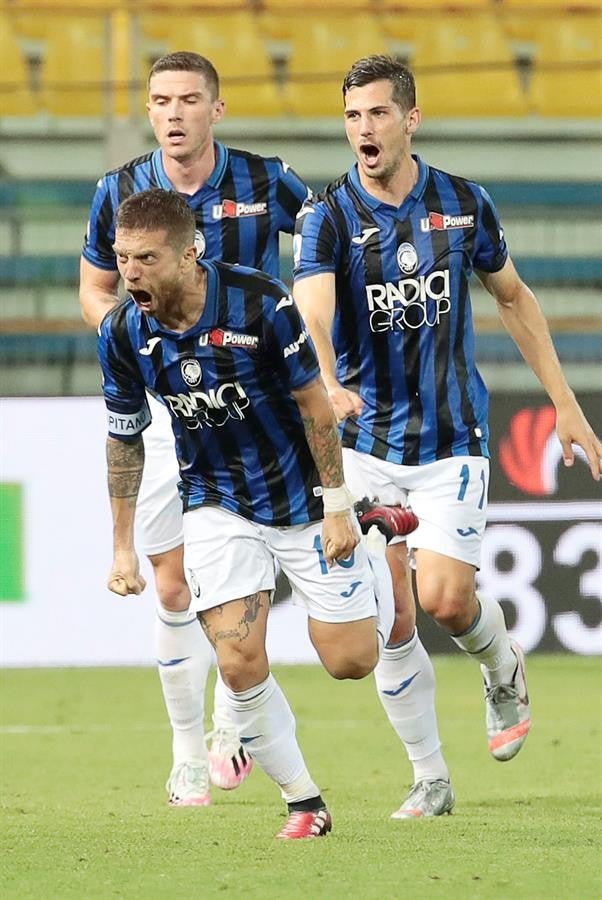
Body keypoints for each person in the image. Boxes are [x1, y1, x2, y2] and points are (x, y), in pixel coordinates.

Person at [293, 55, 602, 812]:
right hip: (365, 446)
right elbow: (311, 305)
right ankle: (430, 777)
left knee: (446, 602)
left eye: (376, 114)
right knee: (392, 615)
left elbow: (514, 298)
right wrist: (328, 380)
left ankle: (503, 670)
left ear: (410, 120)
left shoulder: (463, 204)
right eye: (352, 116)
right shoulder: (328, 215)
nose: (363, 130)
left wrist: (564, 402)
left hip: (450, 439)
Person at [97, 187, 399, 839]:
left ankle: (374, 541)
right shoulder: (124, 333)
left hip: (301, 501)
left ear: (187, 255)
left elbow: (317, 408)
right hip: (214, 503)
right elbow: (123, 437)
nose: (131, 273)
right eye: (122, 258)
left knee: (350, 661)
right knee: (236, 661)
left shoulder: (261, 304)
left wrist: (340, 505)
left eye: (146, 258)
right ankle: (304, 802)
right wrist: (122, 546)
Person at [79, 51, 310, 806]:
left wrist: (318, 344)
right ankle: (187, 751)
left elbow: (328, 247)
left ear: (217, 108)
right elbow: (96, 291)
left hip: (256, 412)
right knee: (171, 585)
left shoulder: (267, 179)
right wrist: (145, 349)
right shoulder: (117, 190)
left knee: (241, 569)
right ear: (148, 111)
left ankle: (229, 715)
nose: (173, 113)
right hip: (168, 408)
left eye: (187, 99)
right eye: (159, 101)